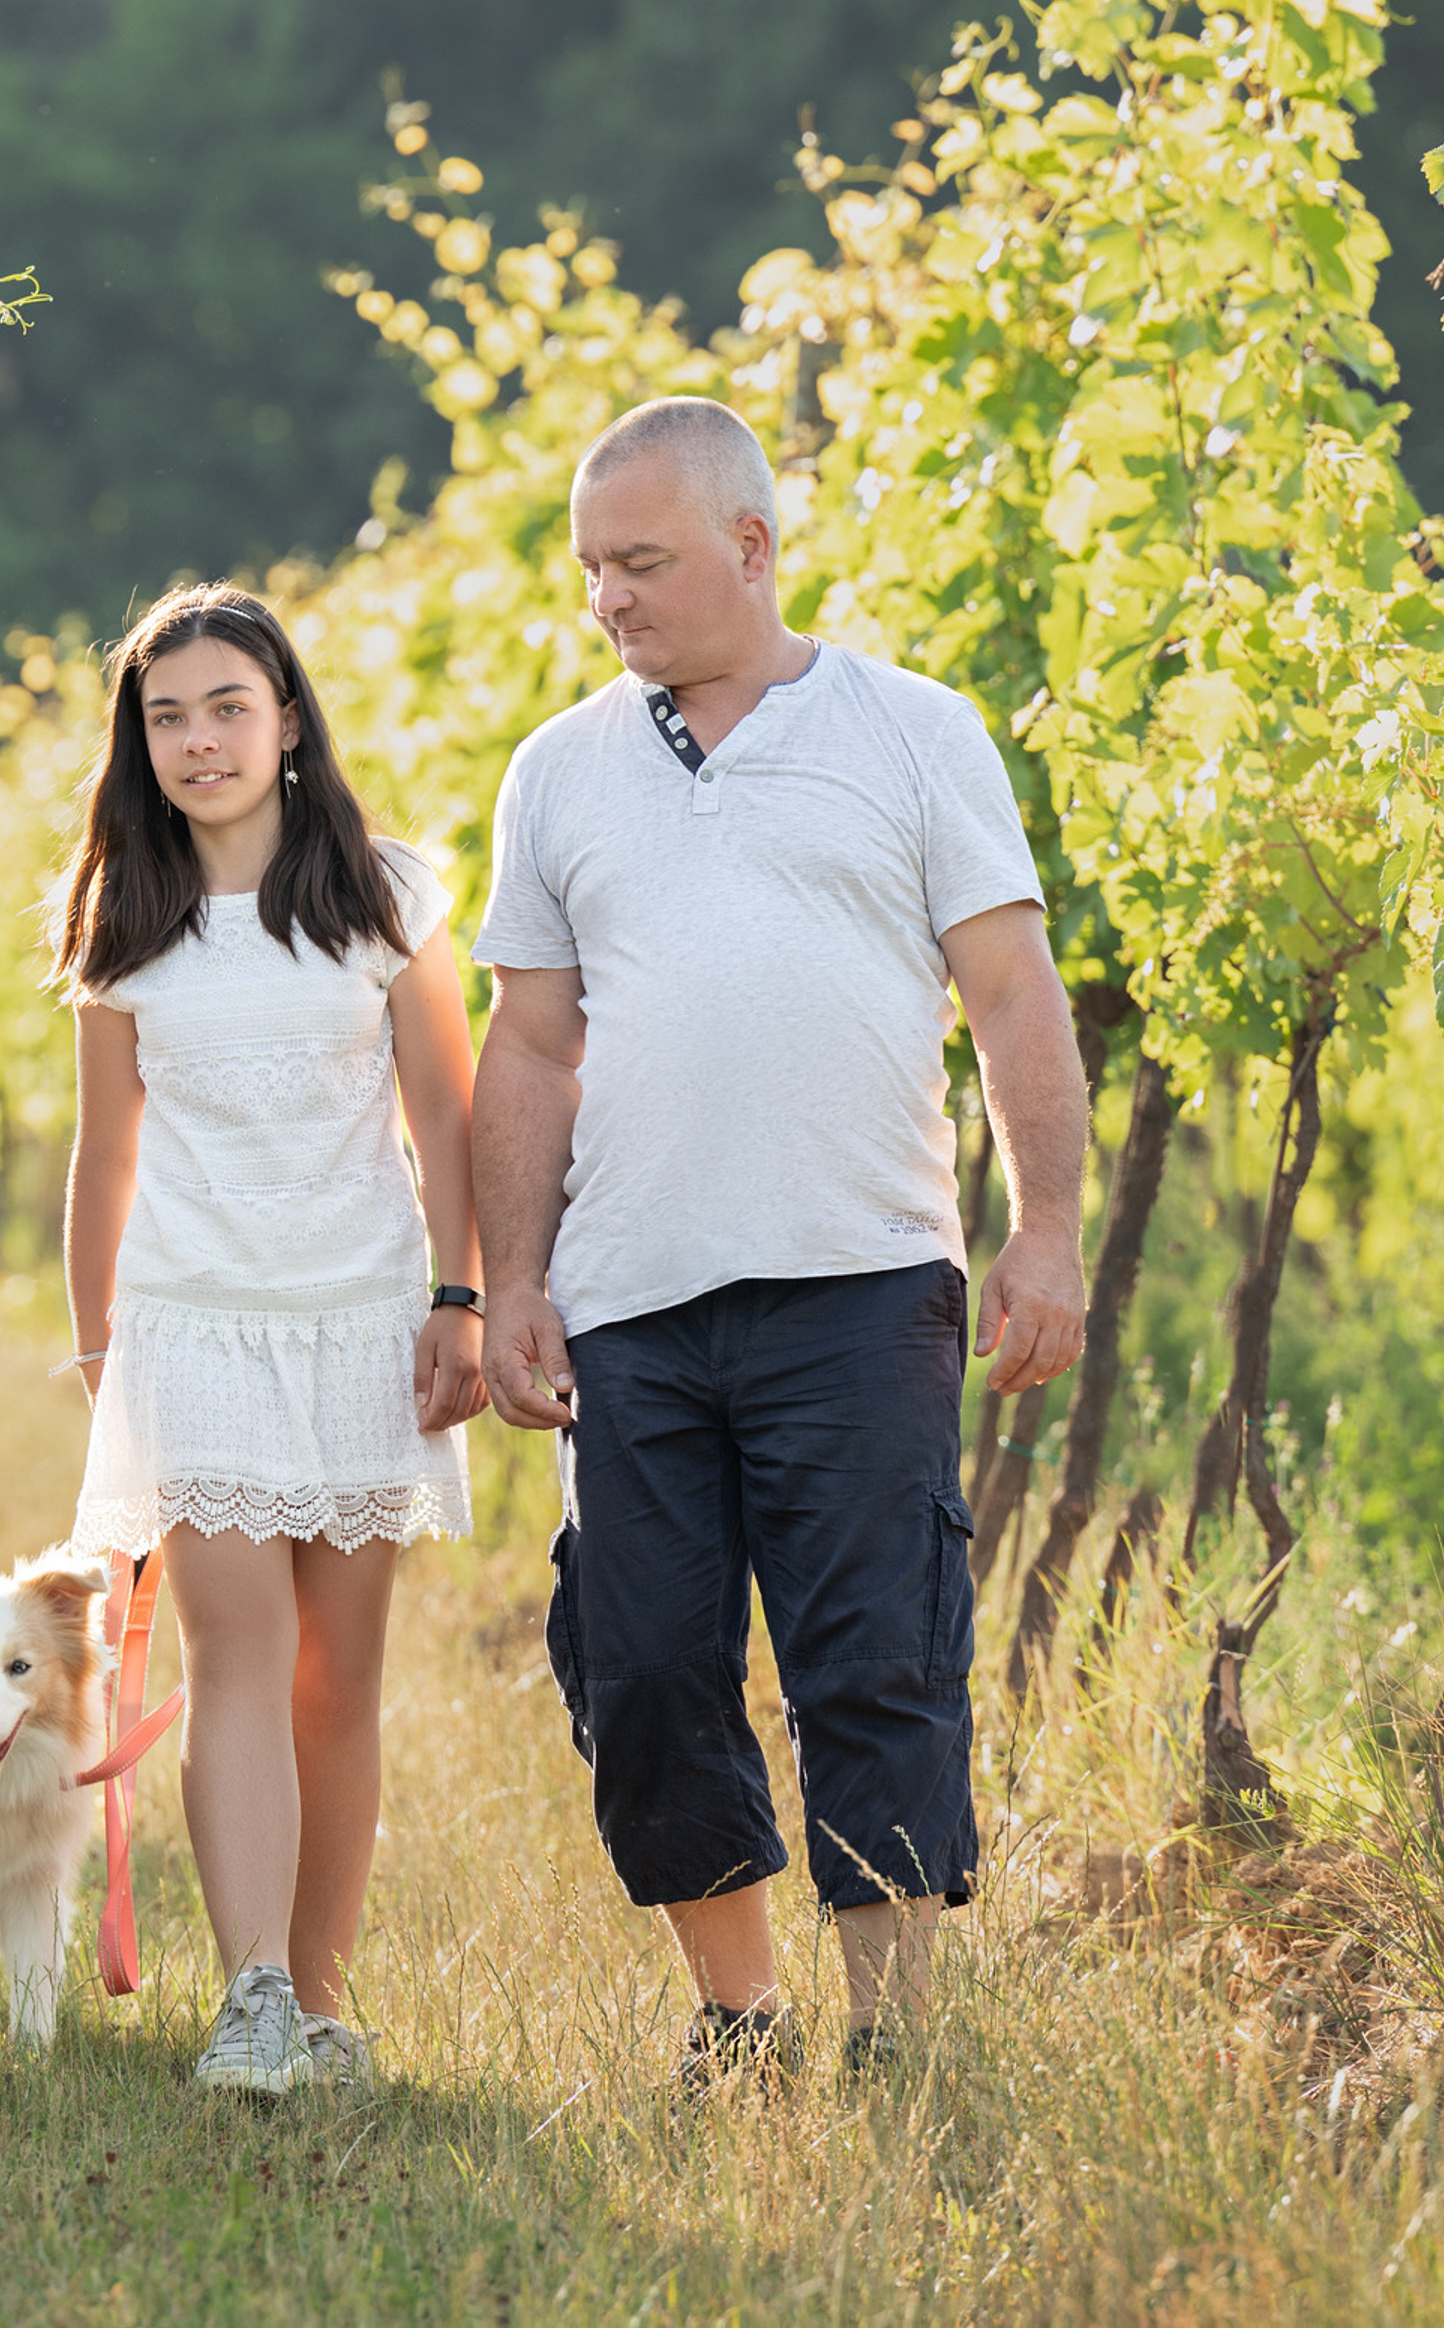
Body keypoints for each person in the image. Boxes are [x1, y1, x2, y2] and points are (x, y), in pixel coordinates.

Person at [469, 396, 1086, 2086]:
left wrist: (1046, 1230)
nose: (607, 597)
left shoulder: (915, 732)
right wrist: (510, 1279)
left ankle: (895, 2043)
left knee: (876, 1658)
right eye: (591, 568)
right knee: (645, 1666)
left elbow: (1011, 990)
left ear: (752, 546)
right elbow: (530, 1047)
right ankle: (738, 2021)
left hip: (862, 1277)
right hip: (630, 1303)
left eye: (641, 562)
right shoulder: (559, 769)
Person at [57, 584, 489, 2095]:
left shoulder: (385, 895)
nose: (199, 741)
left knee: (336, 1682)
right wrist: (103, 1359)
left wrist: (459, 1298)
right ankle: (247, 2000)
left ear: (288, 720)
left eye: (227, 708)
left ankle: (317, 2003)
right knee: (238, 1658)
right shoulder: (123, 920)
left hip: (363, 1324)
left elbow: (447, 1114)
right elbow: (104, 1157)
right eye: (166, 717)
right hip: (194, 1329)